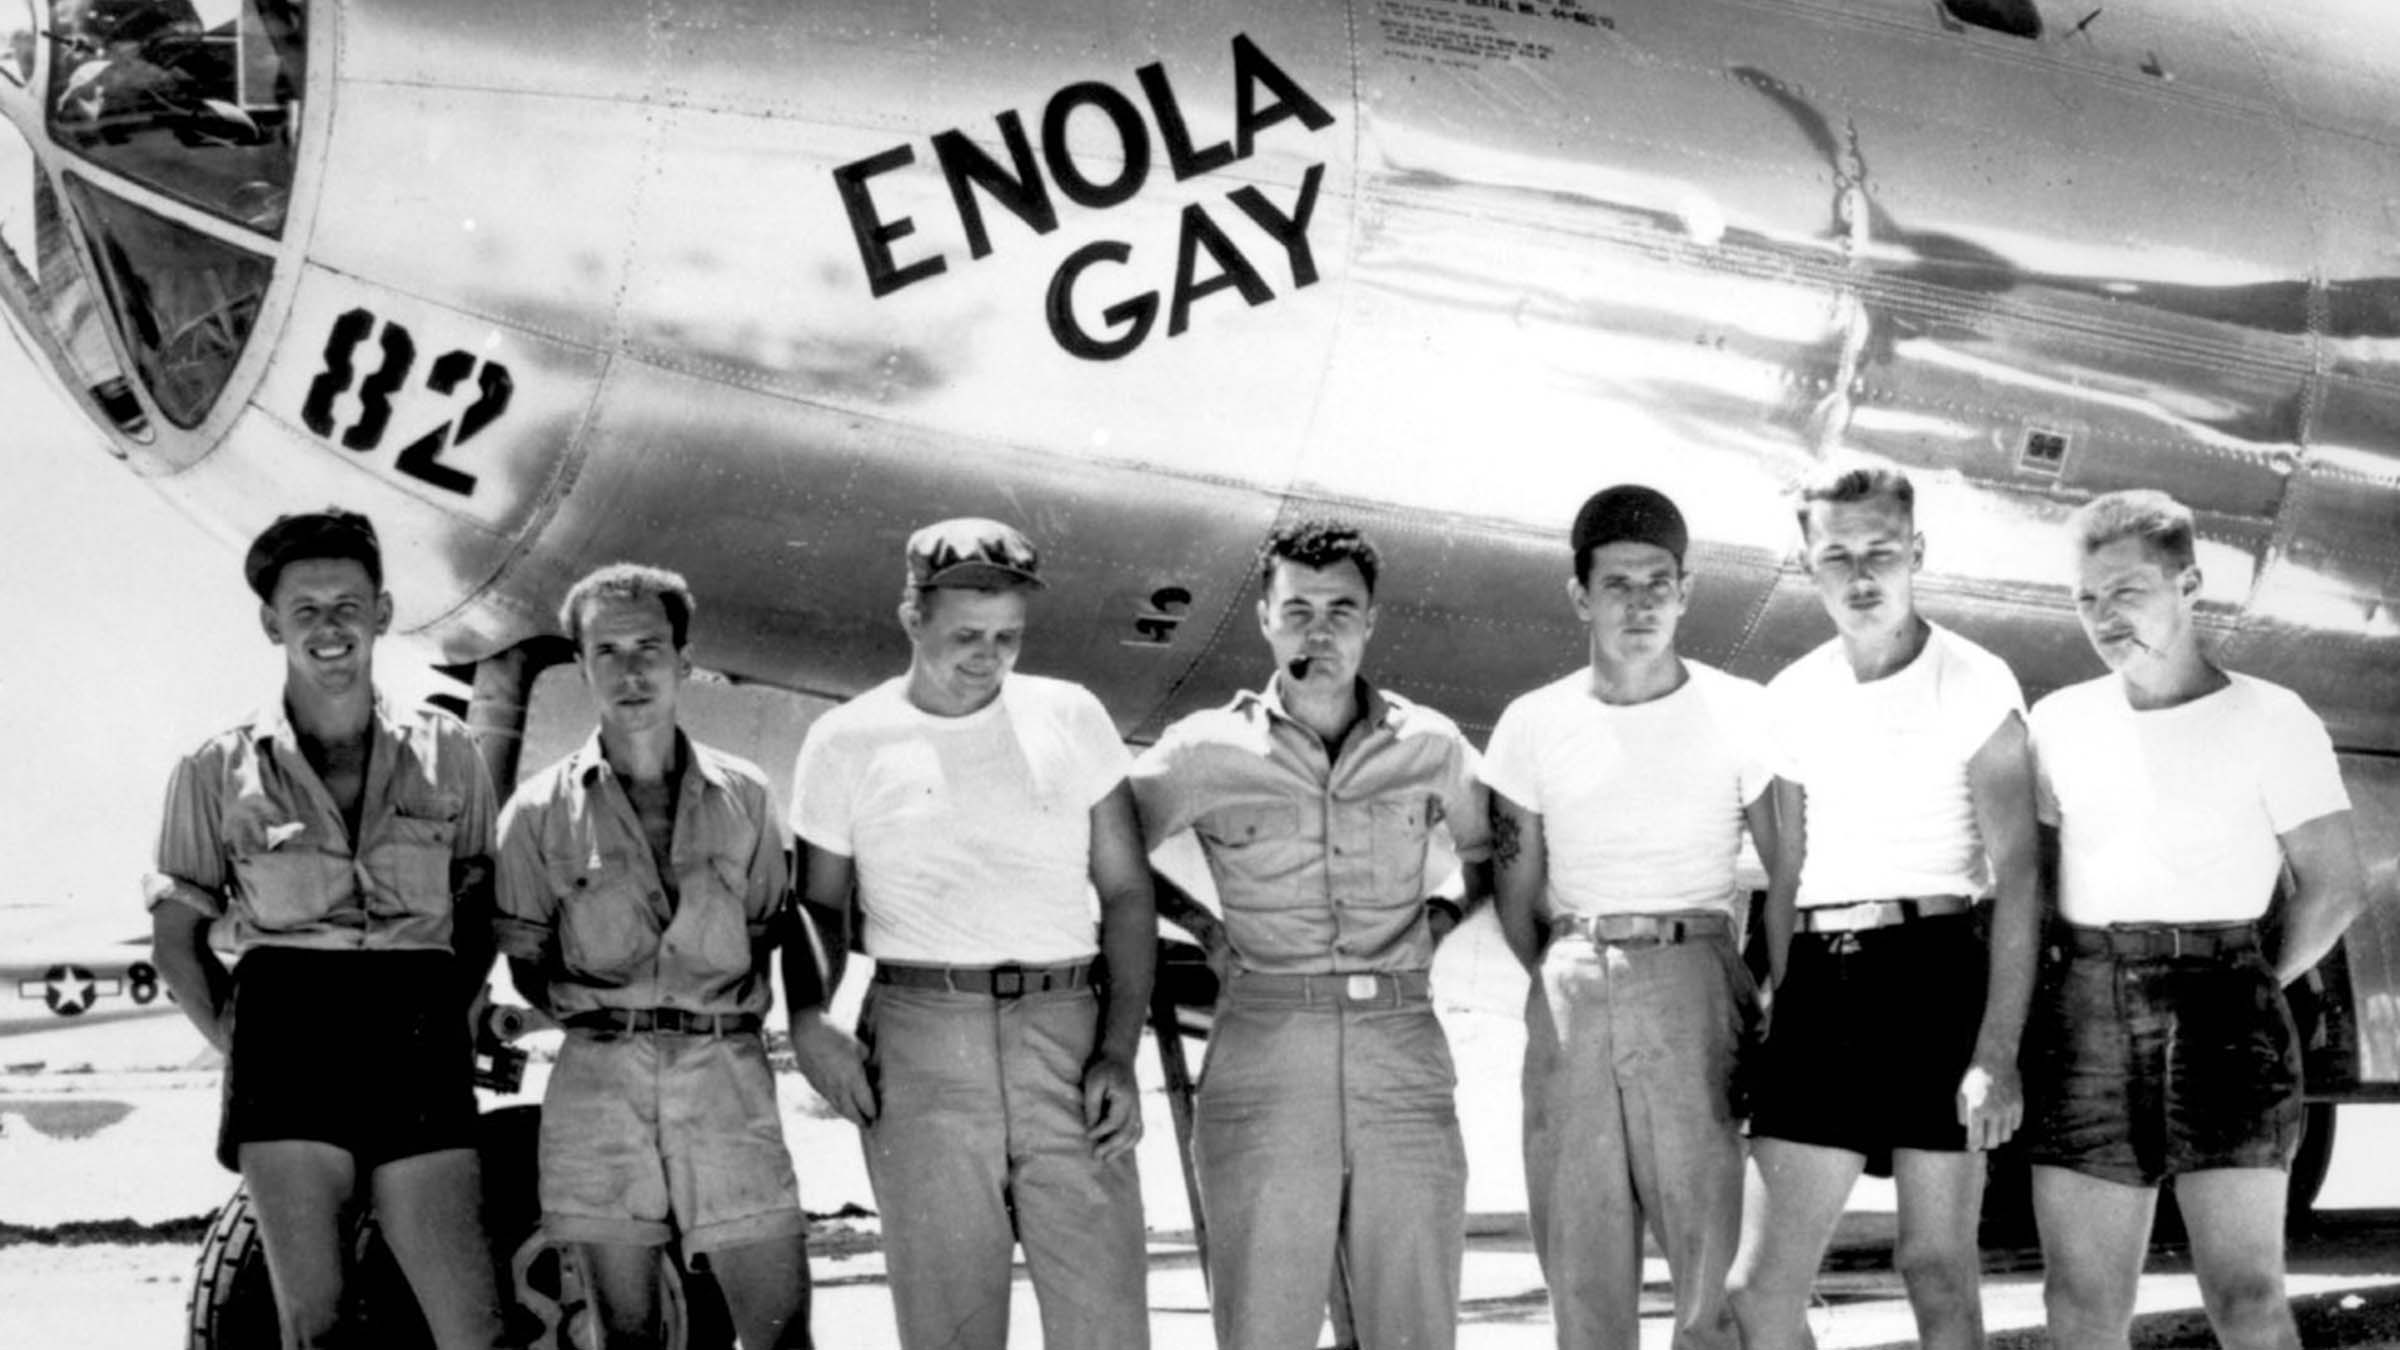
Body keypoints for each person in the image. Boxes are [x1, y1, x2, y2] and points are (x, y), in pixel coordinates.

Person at [784, 517, 1157, 1350]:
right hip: (924, 1043)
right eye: (965, 635)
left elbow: (1128, 892)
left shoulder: (1071, 715)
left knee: (1106, 1325)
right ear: (911, 618)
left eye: (1007, 636)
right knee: (949, 1327)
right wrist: (808, 1017)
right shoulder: (845, 741)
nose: (988, 656)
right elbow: (818, 905)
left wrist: (1118, 1052)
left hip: (1067, 1036)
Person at [145, 508, 512, 1349]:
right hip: (287, 1041)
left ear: (382, 613)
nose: (329, 627)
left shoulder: (449, 751)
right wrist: (243, 1042)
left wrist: (447, 1015)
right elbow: (176, 941)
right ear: (271, 623)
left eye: (348, 605)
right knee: (317, 1327)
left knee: (474, 1327)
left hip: (416, 1033)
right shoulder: (215, 767)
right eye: (304, 609)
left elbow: (479, 907)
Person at [1129, 518, 1492, 1350]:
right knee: (1264, 1322)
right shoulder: (1204, 749)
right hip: (1266, 1050)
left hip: (1399, 1053)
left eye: (1340, 611)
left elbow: (1492, 853)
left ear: (1371, 622)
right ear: (1264, 617)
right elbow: (1103, 844)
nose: (1318, 633)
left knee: (1414, 1320)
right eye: (1297, 610)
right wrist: (1200, 925)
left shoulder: (1431, 745)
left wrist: (1440, 917)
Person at [2024, 490, 2366, 1350]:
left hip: (2227, 1013)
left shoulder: (2272, 718)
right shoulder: (2058, 722)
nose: (2105, 616)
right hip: (2087, 1012)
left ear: (2190, 585)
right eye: (2087, 598)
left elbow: (2334, 886)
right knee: (2080, 1306)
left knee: (2246, 1300)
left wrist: (2247, 984)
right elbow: (2033, 886)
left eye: (2127, 591)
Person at [1727, 461, 2041, 1350]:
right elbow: (1787, 873)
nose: (1861, 575)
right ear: (1808, 565)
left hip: (1935, 973)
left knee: (1935, 1267)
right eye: (1837, 556)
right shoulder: (1792, 695)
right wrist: (1783, 1000)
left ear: (1918, 552)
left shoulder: (1973, 681)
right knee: (1758, 1290)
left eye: (1882, 551)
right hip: (1820, 983)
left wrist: (1996, 1052)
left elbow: (2020, 874)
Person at [1485, 485, 1791, 1350]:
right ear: (1579, 596)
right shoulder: (1533, 723)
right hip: (1574, 986)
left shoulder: (1741, 710)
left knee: (1713, 1263)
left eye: (1659, 583)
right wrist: (1575, 972)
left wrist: (1777, 999)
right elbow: (1516, 896)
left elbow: (1787, 870)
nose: (1641, 603)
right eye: (1617, 584)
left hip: (1695, 982)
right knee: (1581, 1262)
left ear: (1686, 592)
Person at [492, 563, 811, 1348]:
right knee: (628, 1337)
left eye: (649, 648)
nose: (630, 672)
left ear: (684, 660)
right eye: (607, 651)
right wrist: (612, 1017)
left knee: (781, 1335)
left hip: (725, 1079)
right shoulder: (536, 814)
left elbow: (766, 928)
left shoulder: (747, 797)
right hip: (600, 1086)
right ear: (581, 665)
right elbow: (527, 955)